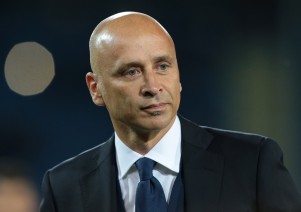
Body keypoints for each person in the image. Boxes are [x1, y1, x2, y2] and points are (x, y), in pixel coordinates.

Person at [40, 11, 301, 212]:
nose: (153, 86)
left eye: (162, 66)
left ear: (178, 76)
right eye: (132, 72)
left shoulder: (251, 164)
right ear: (96, 88)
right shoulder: (64, 188)